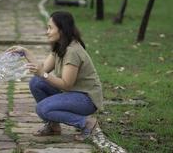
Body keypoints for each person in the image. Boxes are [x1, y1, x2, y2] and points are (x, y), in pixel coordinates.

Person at [8, 11, 103, 141]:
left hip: (86, 99)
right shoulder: (60, 47)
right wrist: (26, 53)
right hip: (73, 94)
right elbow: (43, 70)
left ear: (62, 30)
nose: (47, 32)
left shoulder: (72, 51)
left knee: (42, 109)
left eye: (50, 28)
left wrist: (43, 74)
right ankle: (53, 126)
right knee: (36, 82)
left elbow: (66, 84)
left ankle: (86, 123)